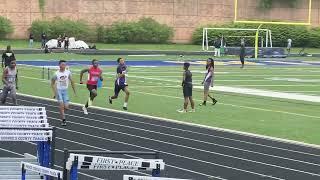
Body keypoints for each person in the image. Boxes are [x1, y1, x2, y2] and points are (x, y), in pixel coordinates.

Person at [51, 60, 77, 126]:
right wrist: (55, 92)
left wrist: (74, 91)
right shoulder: (56, 74)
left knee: (66, 107)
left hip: (65, 91)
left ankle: (62, 110)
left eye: (65, 65)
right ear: (59, 65)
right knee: (61, 106)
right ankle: (63, 120)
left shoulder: (68, 72)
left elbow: (72, 81)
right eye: (62, 65)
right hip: (59, 91)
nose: (64, 66)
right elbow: (52, 83)